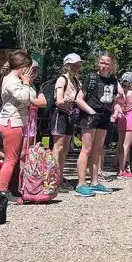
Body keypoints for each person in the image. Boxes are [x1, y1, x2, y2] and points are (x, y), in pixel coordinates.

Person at [0, 51, 44, 201]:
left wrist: (27, 83)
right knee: (10, 159)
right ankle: (2, 190)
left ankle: (13, 187)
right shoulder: (10, 81)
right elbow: (25, 98)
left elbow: (31, 96)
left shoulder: (17, 80)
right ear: (22, 67)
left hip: (18, 122)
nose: (29, 72)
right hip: (12, 122)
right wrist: (27, 82)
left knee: (15, 159)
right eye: (28, 68)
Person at [73, 54, 118, 197]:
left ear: (111, 66)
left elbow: (114, 99)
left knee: (98, 150)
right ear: (98, 63)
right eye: (101, 62)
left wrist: (115, 110)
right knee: (86, 149)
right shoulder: (91, 78)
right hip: (90, 116)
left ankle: (94, 182)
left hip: (104, 116)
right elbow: (79, 99)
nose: (104, 65)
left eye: (107, 63)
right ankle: (81, 183)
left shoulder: (113, 80)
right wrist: (91, 111)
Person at [51, 54, 83, 189]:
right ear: (66, 66)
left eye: (77, 65)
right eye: (72, 65)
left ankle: (60, 177)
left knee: (65, 149)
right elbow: (59, 100)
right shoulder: (62, 80)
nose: (75, 67)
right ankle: (53, 178)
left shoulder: (76, 81)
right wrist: (72, 101)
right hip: (61, 115)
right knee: (58, 148)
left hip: (70, 116)